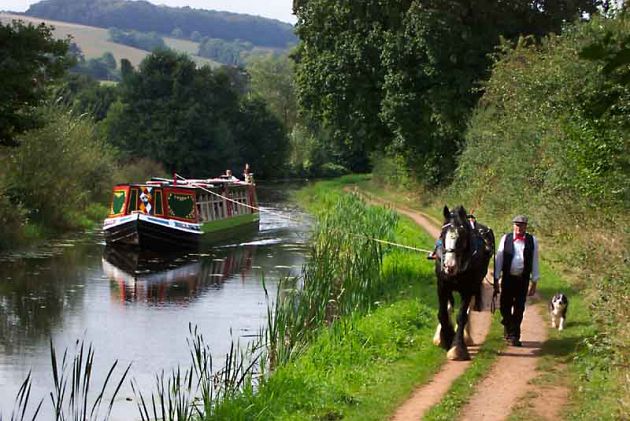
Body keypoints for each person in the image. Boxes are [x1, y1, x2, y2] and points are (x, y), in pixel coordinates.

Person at [494, 215, 540, 346]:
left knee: (519, 308)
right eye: (517, 225)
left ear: (526, 226)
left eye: (522, 225)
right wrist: (496, 279)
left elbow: (535, 261)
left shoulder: (532, 241)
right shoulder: (506, 239)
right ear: (513, 226)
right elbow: (499, 259)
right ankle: (508, 326)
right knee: (504, 306)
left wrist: (534, 281)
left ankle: (514, 336)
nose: (519, 228)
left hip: (523, 279)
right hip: (508, 278)